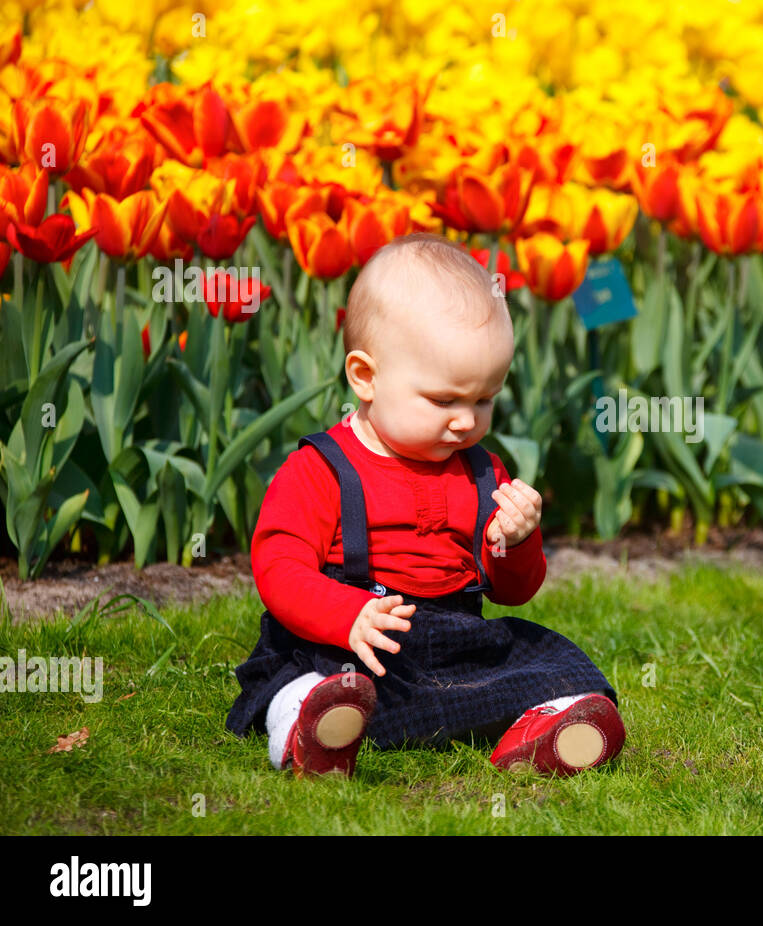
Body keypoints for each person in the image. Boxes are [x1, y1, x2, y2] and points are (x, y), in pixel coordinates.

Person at [225, 232, 625, 778]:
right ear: (366, 377)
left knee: (552, 660)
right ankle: (311, 728)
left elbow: (512, 591)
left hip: (454, 642)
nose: (466, 421)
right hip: (354, 642)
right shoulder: (322, 470)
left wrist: (519, 537)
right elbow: (278, 567)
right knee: (306, 678)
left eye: (484, 399)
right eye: (444, 400)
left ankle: (545, 725)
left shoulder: (481, 473)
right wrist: (346, 617)